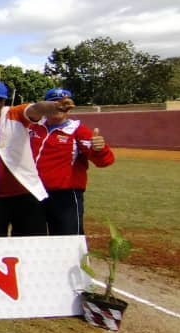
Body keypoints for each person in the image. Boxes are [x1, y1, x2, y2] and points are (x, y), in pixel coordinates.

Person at [0, 81, 64, 237]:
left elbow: (35, 109)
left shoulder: (16, 113)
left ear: (4, 101)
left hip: (25, 192)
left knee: (31, 243)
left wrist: (51, 106)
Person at [29, 88, 115, 235]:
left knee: (68, 238)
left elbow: (104, 161)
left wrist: (100, 149)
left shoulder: (77, 130)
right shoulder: (34, 128)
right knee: (34, 238)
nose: (59, 107)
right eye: (54, 103)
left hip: (65, 196)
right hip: (34, 192)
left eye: (64, 104)